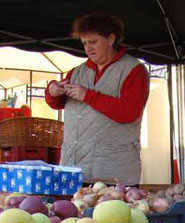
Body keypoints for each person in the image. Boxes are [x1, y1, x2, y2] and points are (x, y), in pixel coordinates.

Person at [45, 12, 149, 186]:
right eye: (85, 43)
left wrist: (88, 95)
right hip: (74, 170)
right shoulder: (77, 72)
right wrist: (53, 91)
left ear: (111, 39)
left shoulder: (133, 70)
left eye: (93, 42)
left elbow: (129, 112)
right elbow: (56, 103)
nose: (88, 48)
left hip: (114, 174)